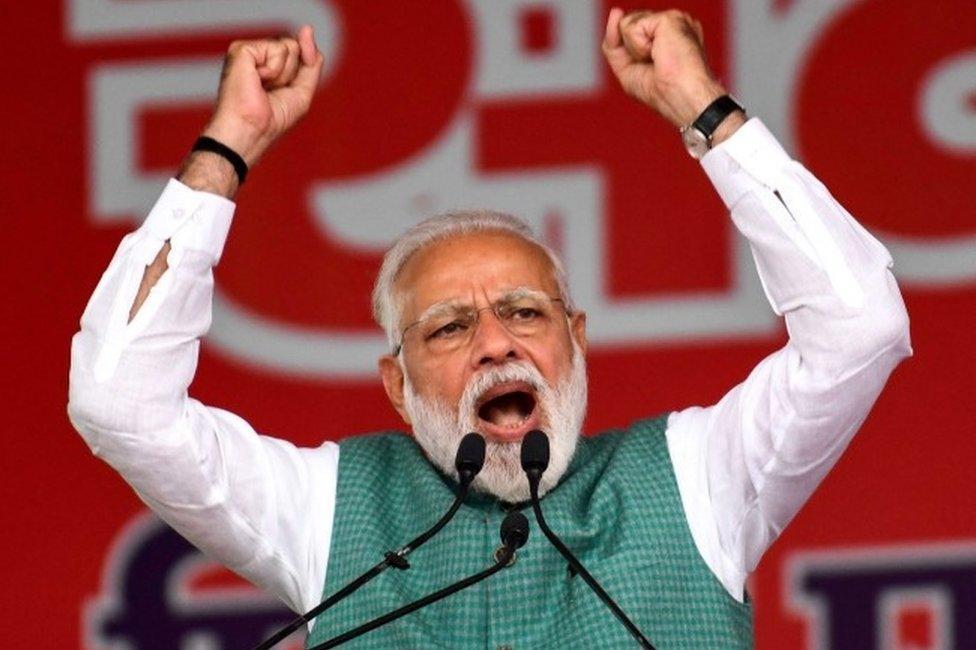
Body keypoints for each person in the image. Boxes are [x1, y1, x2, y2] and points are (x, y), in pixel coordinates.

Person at [68, 8, 912, 648]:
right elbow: (119, 403)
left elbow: (859, 324)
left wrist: (701, 107)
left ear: (575, 342)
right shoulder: (323, 511)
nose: (496, 344)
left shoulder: (702, 482)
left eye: (522, 312)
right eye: (447, 329)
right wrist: (229, 144)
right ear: (396, 385)